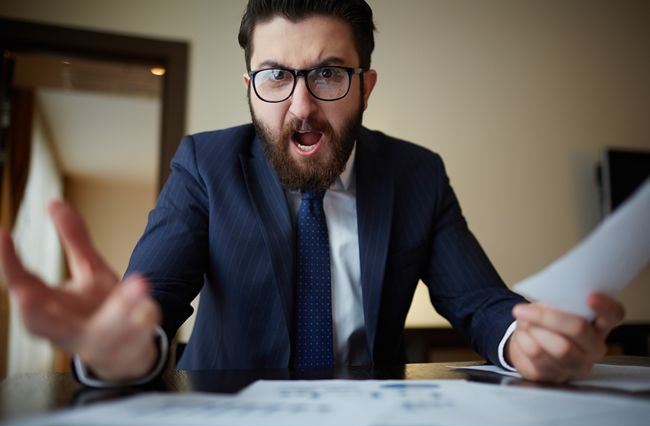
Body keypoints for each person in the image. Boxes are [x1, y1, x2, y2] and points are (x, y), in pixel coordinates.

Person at [0, 0, 624, 387]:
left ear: (365, 85)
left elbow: (482, 304)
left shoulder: (418, 175)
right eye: (276, 75)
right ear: (249, 85)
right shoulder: (205, 164)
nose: (301, 107)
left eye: (327, 73)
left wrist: (529, 343)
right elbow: (149, 304)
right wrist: (118, 351)